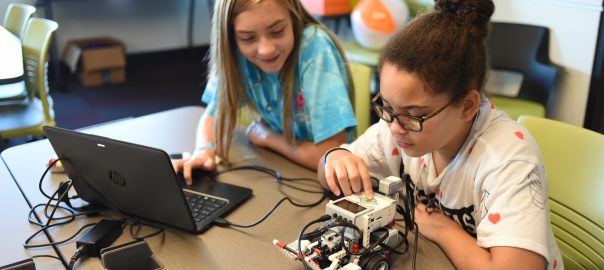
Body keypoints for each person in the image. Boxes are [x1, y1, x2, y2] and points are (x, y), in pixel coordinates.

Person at [318, 0, 564, 269]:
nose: (394, 126)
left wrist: (442, 229)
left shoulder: (507, 158)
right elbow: (327, 170)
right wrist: (335, 158)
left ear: (467, 106)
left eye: (414, 114)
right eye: (385, 107)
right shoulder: (398, 127)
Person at [173, 0, 357, 184]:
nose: (266, 49)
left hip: (332, 179)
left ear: (292, 18)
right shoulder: (236, 56)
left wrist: (268, 137)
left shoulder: (314, 47)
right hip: (284, 170)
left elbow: (331, 154)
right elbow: (213, 116)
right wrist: (203, 151)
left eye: (277, 31)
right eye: (247, 38)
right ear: (231, 39)